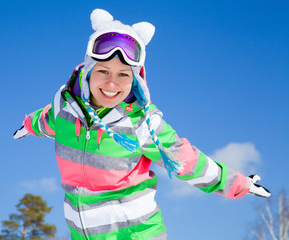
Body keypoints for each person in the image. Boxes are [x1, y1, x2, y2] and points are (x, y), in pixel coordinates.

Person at [13, 9, 270, 240]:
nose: (112, 84)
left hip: (137, 233)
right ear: (89, 71)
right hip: (82, 232)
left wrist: (238, 183)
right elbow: (45, 120)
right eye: (104, 71)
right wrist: (28, 126)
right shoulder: (65, 108)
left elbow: (186, 160)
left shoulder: (142, 124)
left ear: (135, 80)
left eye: (123, 75)